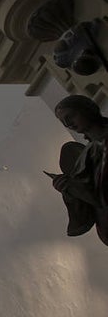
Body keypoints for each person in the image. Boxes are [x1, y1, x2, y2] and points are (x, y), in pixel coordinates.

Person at [49, 95, 108, 245]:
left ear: (86, 109)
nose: (68, 124)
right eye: (64, 122)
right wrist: (68, 190)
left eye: (71, 116)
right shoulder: (85, 158)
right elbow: (87, 208)